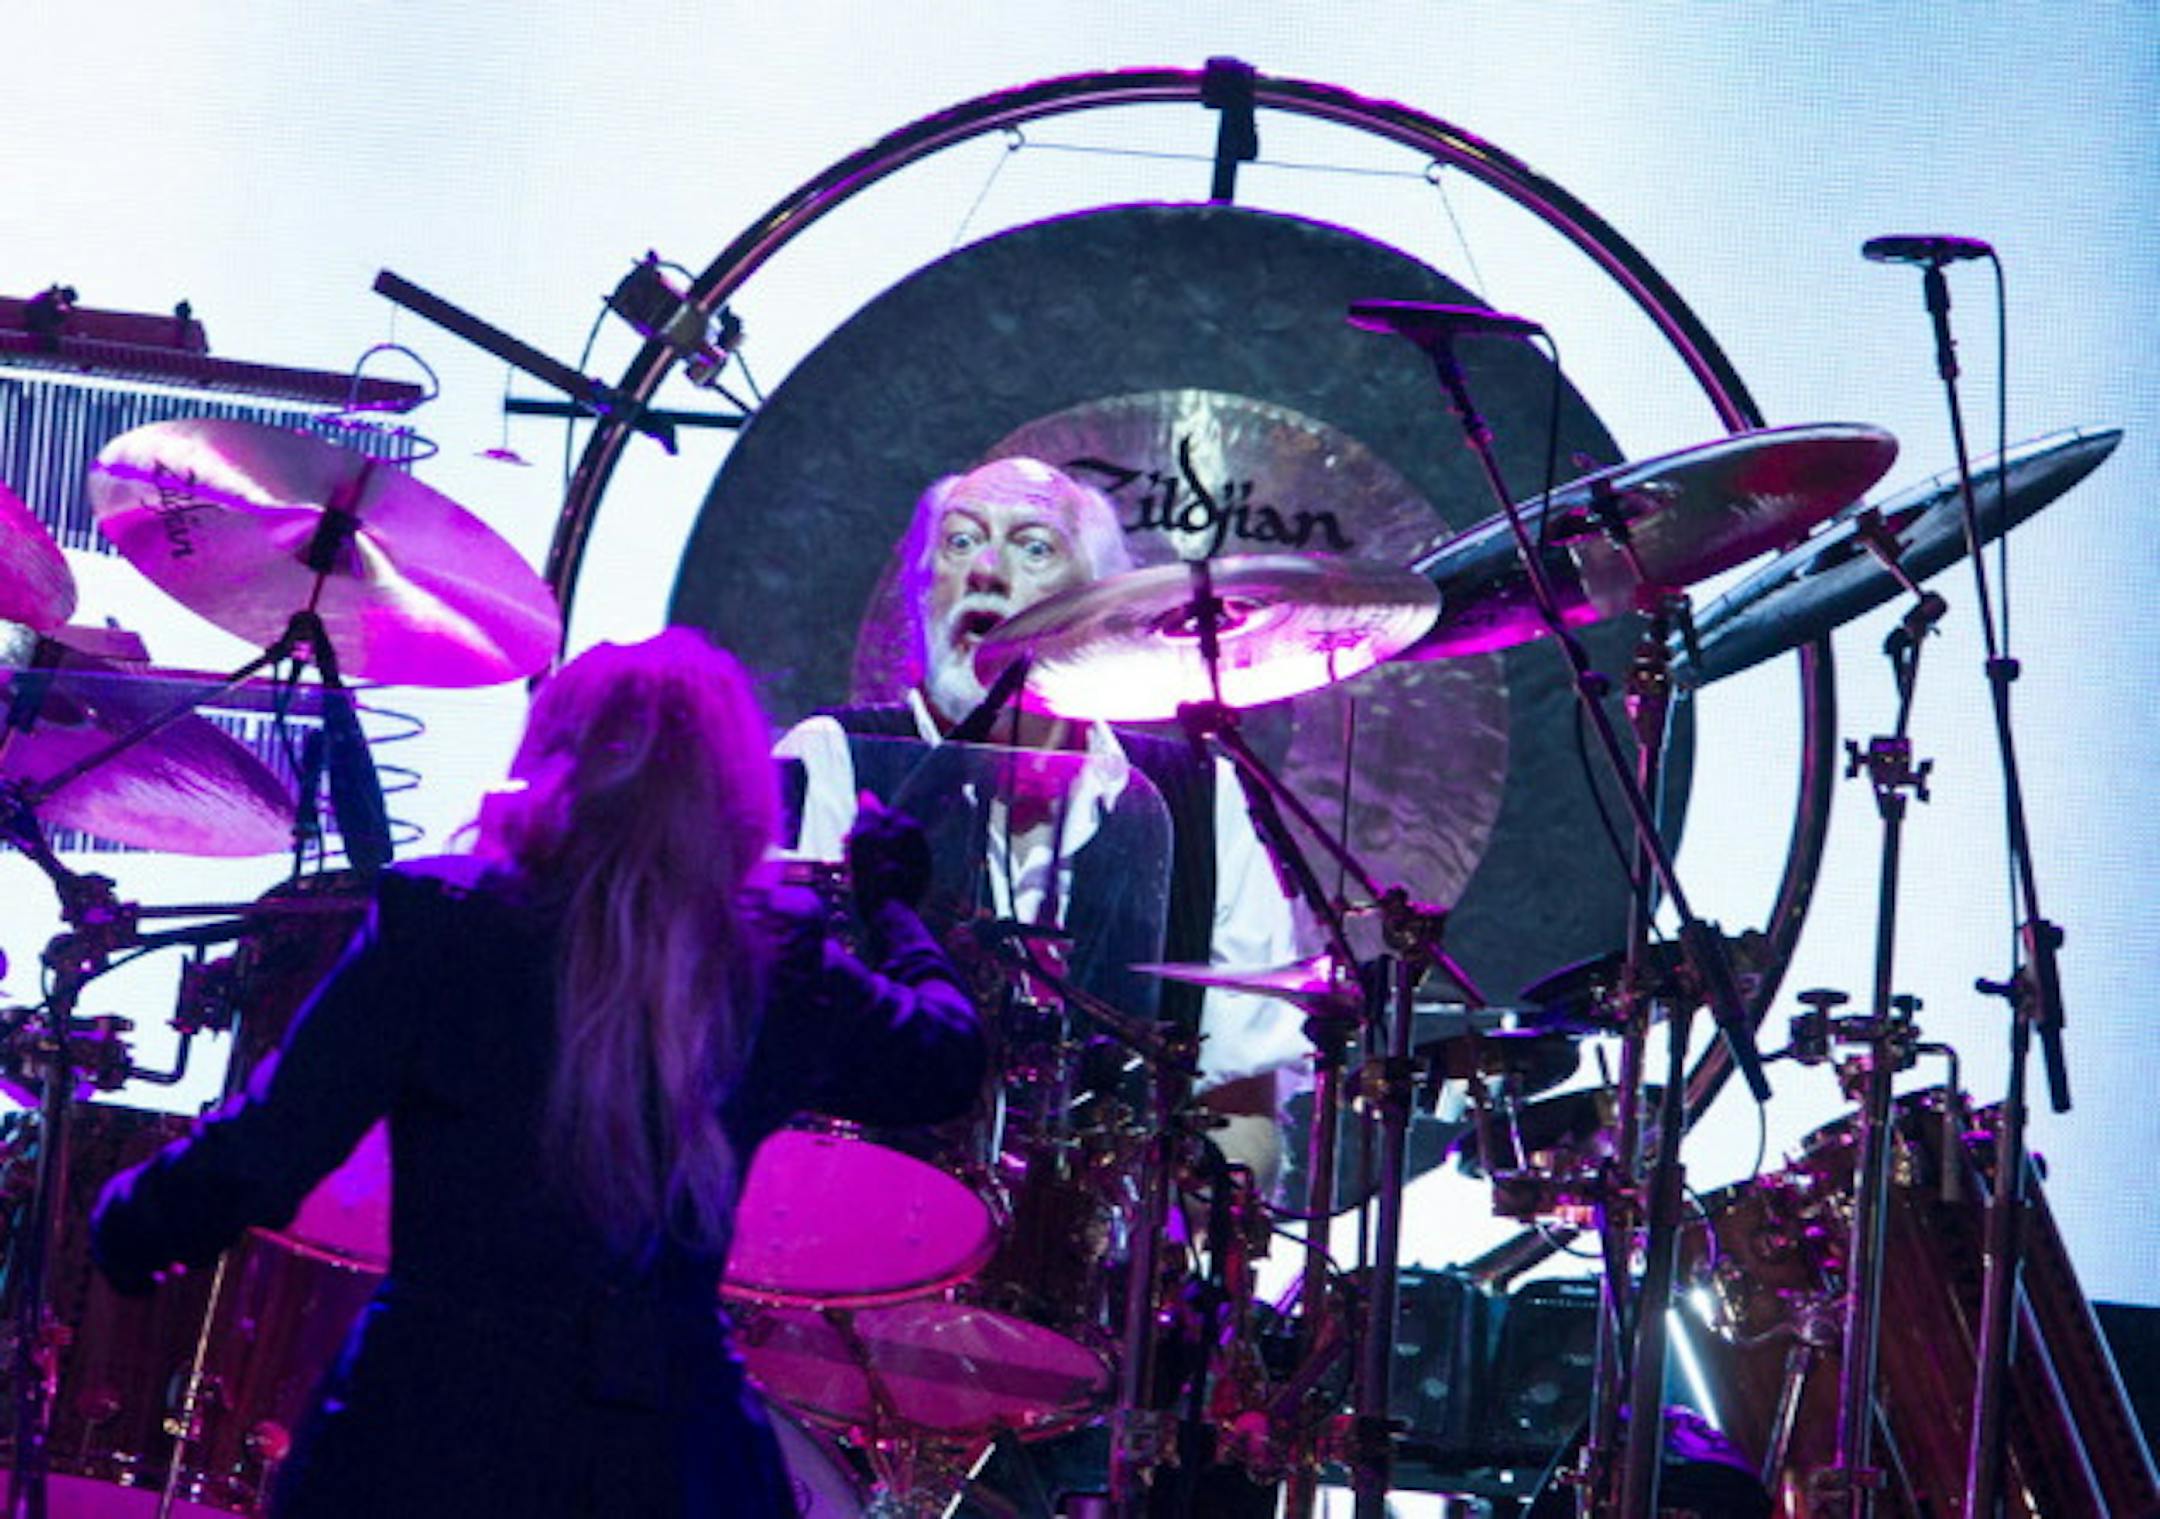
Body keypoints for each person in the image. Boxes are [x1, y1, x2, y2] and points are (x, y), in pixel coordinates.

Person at [91, 630, 984, 1518]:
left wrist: (136, 1224)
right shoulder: (775, 962)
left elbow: (270, 1146)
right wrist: (896, 911)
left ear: (550, 759)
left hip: (431, 1434)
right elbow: (942, 1063)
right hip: (662, 1442)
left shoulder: (442, 924)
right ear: (735, 793)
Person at [776, 456, 1308, 1515]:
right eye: (960, 544)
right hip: (849, 1317)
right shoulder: (836, 760)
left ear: (1099, 607)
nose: (985, 570)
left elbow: (1246, 1098)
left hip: (1091, 1335)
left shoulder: (1196, 800)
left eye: (1030, 547)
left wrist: (1192, 1277)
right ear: (925, 591)